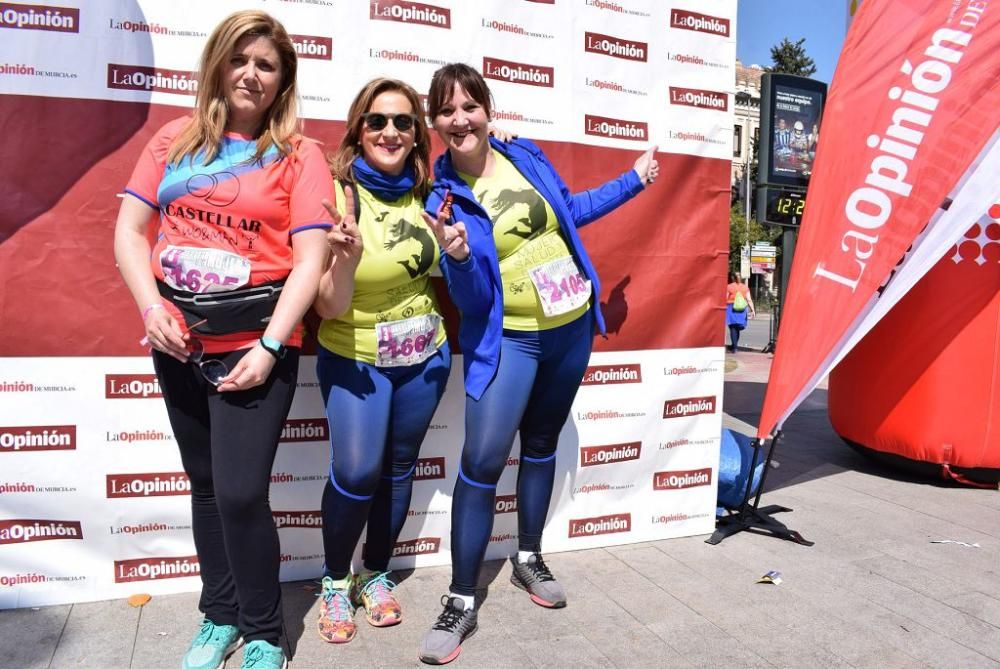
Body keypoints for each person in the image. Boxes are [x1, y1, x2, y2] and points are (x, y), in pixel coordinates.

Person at [416, 62, 659, 665]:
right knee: (480, 463)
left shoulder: (525, 157)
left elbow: (569, 212)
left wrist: (634, 179)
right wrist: (458, 256)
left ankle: (528, 557)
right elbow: (471, 303)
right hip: (511, 341)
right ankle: (461, 599)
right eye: (446, 110)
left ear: (487, 110)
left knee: (543, 444)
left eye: (468, 106)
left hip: (570, 329)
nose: (459, 119)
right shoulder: (441, 195)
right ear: (435, 122)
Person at [113, 10, 331, 669]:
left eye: (266, 64)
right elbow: (128, 231)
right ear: (217, 64)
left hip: (255, 347)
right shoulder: (170, 142)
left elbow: (311, 258)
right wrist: (150, 307)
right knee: (206, 485)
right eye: (240, 59)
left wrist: (269, 346)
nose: (251, 73)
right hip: (178, 342)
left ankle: (265, 630)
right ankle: (220, 615)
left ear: (282, 80)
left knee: (240, 491)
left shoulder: (301, 155)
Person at [311, 78, 467, 645]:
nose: (391, 132)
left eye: (404, 122)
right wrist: (346, 259)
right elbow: (325, 304)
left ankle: (373, 574)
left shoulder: (430, 190)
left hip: (424, 356)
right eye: (378, 120)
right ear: (359, 127)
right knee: (356, 472)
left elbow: (446, 276)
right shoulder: (336, 191)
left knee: (399, 469)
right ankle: (334, 580)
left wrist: (456, 253)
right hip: (353, 354)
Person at [726, 271, 756, 353]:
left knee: (732, 327)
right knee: (738, 328)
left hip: (731, 308)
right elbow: (749, 300)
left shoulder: (729, 287)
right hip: (742, 309)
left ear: (732, 278)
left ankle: (734, 347)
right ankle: (734, 345)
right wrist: (753, 310)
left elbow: (725, 298)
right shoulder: (745, 288)